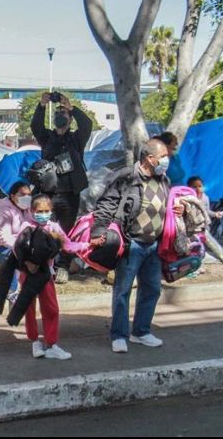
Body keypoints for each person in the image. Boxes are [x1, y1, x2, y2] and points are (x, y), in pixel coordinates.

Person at [91, 139, 184, 354]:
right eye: (162, 157)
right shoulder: (126, 177)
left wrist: (176, 209)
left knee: (151, 289)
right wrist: (98, 232)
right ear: (149, 158)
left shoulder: (163, 179)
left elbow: (166, 204)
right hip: (131, 242)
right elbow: (106, 204)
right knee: (123, 290)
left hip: (154, 245)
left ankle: (141, 331)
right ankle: (119, 335)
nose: (166, 161)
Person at [11, 194, 87, 360]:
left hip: (46, 274)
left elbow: (68, 245)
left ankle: (52, 344)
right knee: (29, 309)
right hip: (28, 274)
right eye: (40, 211)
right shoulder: (26, 226)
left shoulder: (54, 228)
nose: (43, 214)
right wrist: (27, 264)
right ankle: (34, 342)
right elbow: (17, 249)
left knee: (51, 308)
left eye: (47, 211)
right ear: (32, 211)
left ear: (51, 211)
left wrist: (87, 245)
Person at [31, 92, 93, 283]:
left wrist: (70, 106)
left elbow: (87, 124)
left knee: (65, 232)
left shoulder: (76, 139)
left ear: (70, 118)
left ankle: (63, 267)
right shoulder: (47, 137)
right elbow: (36, 126)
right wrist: (42, 105)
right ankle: (45, 264)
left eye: (64, 113)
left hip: (69, 195)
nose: (60, 115)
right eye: (57, 112)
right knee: (46, 230)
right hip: (48, 194)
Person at [0, 181, 32, 297]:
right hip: (1, 247)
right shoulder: (4, 211)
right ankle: (12, 291)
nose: (26, 198)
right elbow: (3, 236)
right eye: (22, 195)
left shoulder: (28, 209)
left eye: (28, 194)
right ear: (12, 196)